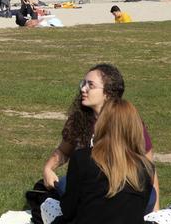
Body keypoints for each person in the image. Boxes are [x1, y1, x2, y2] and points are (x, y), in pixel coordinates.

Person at [42, 64, 159, 213]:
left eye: (90, 85)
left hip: (122, 187)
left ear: (108, 93)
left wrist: (156, 212)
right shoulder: (78, 121)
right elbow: (63, 151)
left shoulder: (127, 122)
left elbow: (148, 167)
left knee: (150, 197)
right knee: (64, 184)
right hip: (90, 186)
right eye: (83, 83)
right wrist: (48, 168)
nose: (83, 89)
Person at [50, 99, 155, 224]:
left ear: (102, 123)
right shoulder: (146, 167)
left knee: (50, 205)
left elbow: (68, 210)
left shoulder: (81, 159)